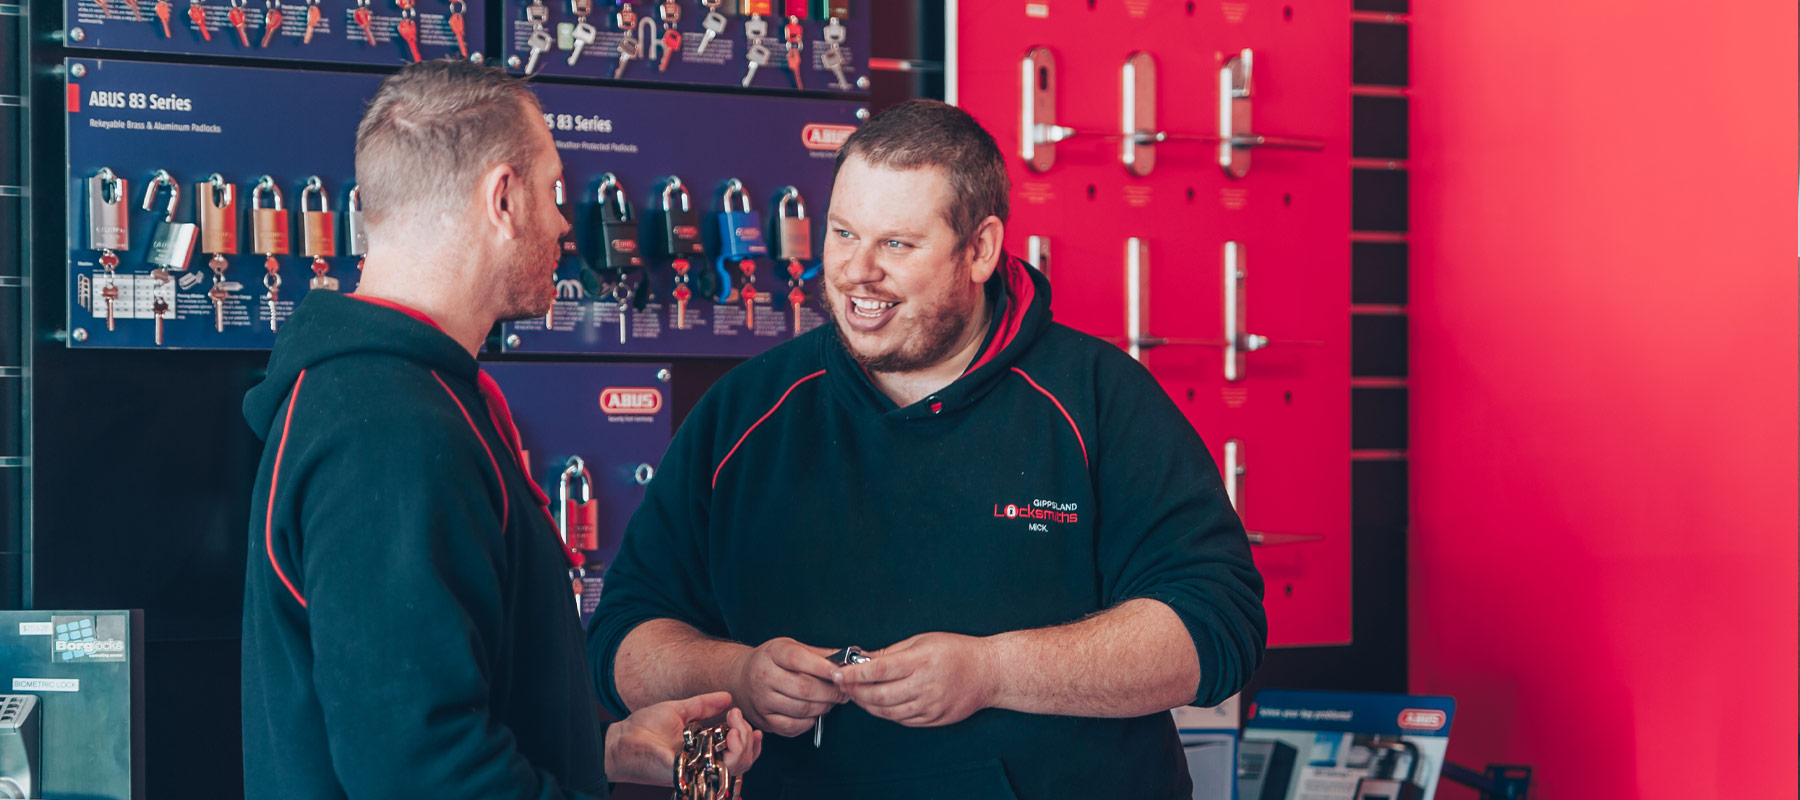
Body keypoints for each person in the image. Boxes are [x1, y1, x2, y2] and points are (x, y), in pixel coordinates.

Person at [587, 99, 1267, 799]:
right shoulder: (744, 411)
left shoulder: (1099, 399)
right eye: (843, 233)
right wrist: (734, 674)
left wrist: (995, 671)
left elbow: (1217, 626)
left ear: (980, 249)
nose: (857, 272)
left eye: (897, 245)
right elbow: (622, 638)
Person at [240, 60, 761, 799]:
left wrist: (604, 747)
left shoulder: (390, 397)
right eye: (552, 191)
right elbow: (423, 772)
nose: (561, 223)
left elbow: (434, 713)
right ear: (504, 198)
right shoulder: (389, 432)